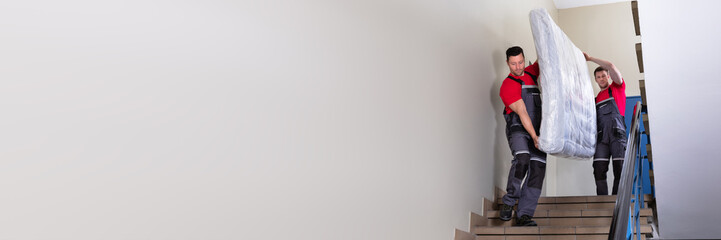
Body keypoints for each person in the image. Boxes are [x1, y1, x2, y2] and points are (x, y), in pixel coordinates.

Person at [498, 46, 547, 226]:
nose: (518, 67)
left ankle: (524, 215)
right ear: (507, 63)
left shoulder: (531, 72)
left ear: (524, 59)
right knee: (523, 158)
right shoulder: (507, 85)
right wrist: (534, 137)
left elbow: (546, 58)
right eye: (513, 64)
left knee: (537, 170)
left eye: (520, 62)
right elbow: (523, 112)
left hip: (538, 129)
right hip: (519, 127)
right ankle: (509, 201)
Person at [584, 52, 627, 195]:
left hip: (617, 136)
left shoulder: (617, 88)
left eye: (603, 75)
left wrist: (590, 59)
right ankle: (602, 200)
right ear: (595, 80)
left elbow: (611, 66)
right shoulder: (595, 99)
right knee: (598, 169)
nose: (601, 79)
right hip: (602, 139)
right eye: (598, 77)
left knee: (619, 169)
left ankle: (615, 201)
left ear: (608, 76)